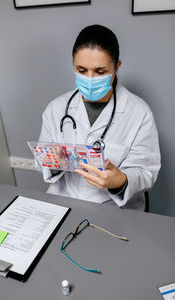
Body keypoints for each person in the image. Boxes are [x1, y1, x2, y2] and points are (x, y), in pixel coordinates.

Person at [36, 24, 161, 211]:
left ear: (116, 67)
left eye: (100, 71)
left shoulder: (139, 112)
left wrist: (119, 181)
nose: (90, 78)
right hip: (63, 203)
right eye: (81, 69)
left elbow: (146, 172)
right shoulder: (56, 108)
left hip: (115, 209)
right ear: (73, 64)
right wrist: (53, 160)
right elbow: (41, 163)